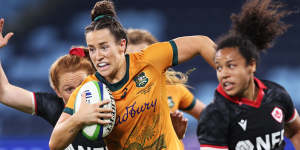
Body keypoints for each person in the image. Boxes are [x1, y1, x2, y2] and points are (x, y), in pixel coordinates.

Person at [49, 0, 216, 149]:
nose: (97, 56)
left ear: (122, 45)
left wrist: (226, 75)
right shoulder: (88, 91)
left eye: (104, 47)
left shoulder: (149, 60)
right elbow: (54, 144)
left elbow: (201, 43)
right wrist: (78, 119)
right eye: (92, 49)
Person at [197, 0, 300, 149]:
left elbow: (296, 131)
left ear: (251, 65)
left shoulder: (277, 95)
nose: (223, 74)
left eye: (231, 66)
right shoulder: (215, 116)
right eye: (219, 68)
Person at [0, 18, 107, 150]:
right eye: (69, 89)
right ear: (58, 92)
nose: (76, 93)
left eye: (82, 85)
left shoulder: (116, 104)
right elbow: (4, 92)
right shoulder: (54, 106)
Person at [126, 28, 206, 139]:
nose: (138, 66)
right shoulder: (111, 95)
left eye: (145, 59)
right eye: (131, 60)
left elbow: (212, 118)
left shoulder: (174, 89)